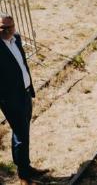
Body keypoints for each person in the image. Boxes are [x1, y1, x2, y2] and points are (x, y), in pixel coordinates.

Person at [0, 13, 40, 185]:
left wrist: (29, 87)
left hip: (25, 93)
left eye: (10, 26)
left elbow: (22, 63)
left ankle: (26, 166)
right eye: (3, 27)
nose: (7, 30)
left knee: (24, 131)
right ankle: (24, 175)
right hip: (10, 99)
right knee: (21, 134)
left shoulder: (16, 38)